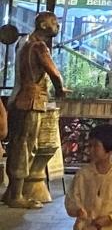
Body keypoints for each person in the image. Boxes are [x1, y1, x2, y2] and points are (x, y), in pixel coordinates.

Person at [5, 11, 66, 209]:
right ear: (43, 25)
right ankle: (17, 195)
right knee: (25, 147)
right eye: (54, 22)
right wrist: (60, 89)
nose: (57, 26)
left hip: (18, 100)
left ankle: (11, 191)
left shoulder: (24, 43)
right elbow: (54, 73)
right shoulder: (39, 46)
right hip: (31, 101)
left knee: (16, 145)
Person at [65, 123, 112, 230]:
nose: (90, 150)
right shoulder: (83, 174)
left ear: (111, 149)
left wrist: (110, 219)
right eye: (90, 146)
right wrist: (78, 210)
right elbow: (71, 199)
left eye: (96, 146)